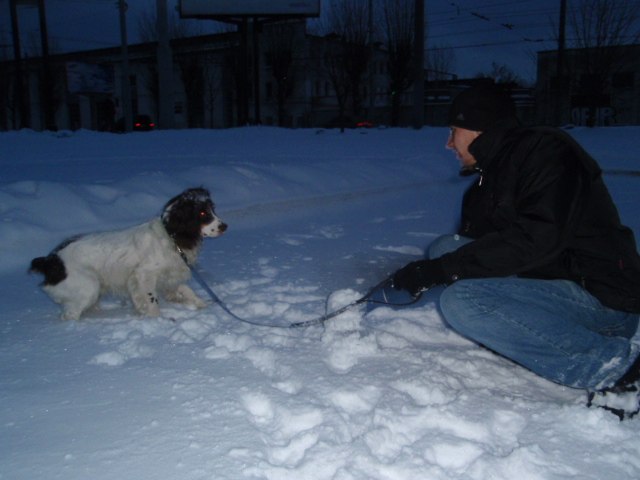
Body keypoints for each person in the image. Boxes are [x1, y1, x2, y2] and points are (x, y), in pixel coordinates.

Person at [392, 84, 640, 420]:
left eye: (453, 131)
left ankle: (620, 370)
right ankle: (516, 329)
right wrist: (432, 268)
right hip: (555, 279)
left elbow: (537, 237)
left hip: (603, 299)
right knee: (445, 248)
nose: (448, 143)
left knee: (463, 302)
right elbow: (480, 250)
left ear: (478, 127)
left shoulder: (547, 152)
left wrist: (442, 270)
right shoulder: (489, 177)